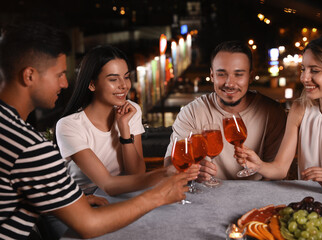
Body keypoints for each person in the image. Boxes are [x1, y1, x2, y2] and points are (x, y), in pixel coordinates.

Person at [0, 21, 196, 240]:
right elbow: (89, 224)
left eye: (126, 76)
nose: (65, 83)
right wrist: (158, 194)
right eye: (59, 74)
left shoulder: (9, 130)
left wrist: (72, 198)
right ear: (29, 76)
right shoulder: (31, 147)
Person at [235, 33, 322, 235]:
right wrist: (258, 165)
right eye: (303, 69)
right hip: (311, 212)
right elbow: (280, 169)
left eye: (314, 71)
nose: (304, 78)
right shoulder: (300, 109)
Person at [164, 40, 287, 181]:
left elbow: (276, 172)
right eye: (222, 74)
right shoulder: (191, 112)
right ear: (212, 76)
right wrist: (192, 171)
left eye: (239, 74)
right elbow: (169, 165)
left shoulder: (272, 112)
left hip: (257, 198)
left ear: (251, 76)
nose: (229, 83)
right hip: (207, 196)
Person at [56, 45, 147, 196]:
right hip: (82, 202)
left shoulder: (131, 111)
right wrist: (164, 175)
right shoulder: (69, 125)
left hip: (120, 194)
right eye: (113, 79)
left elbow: (136, 173)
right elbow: (108, 185)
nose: (124, 86)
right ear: (92, 84)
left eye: (126, 77)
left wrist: (124, 129)